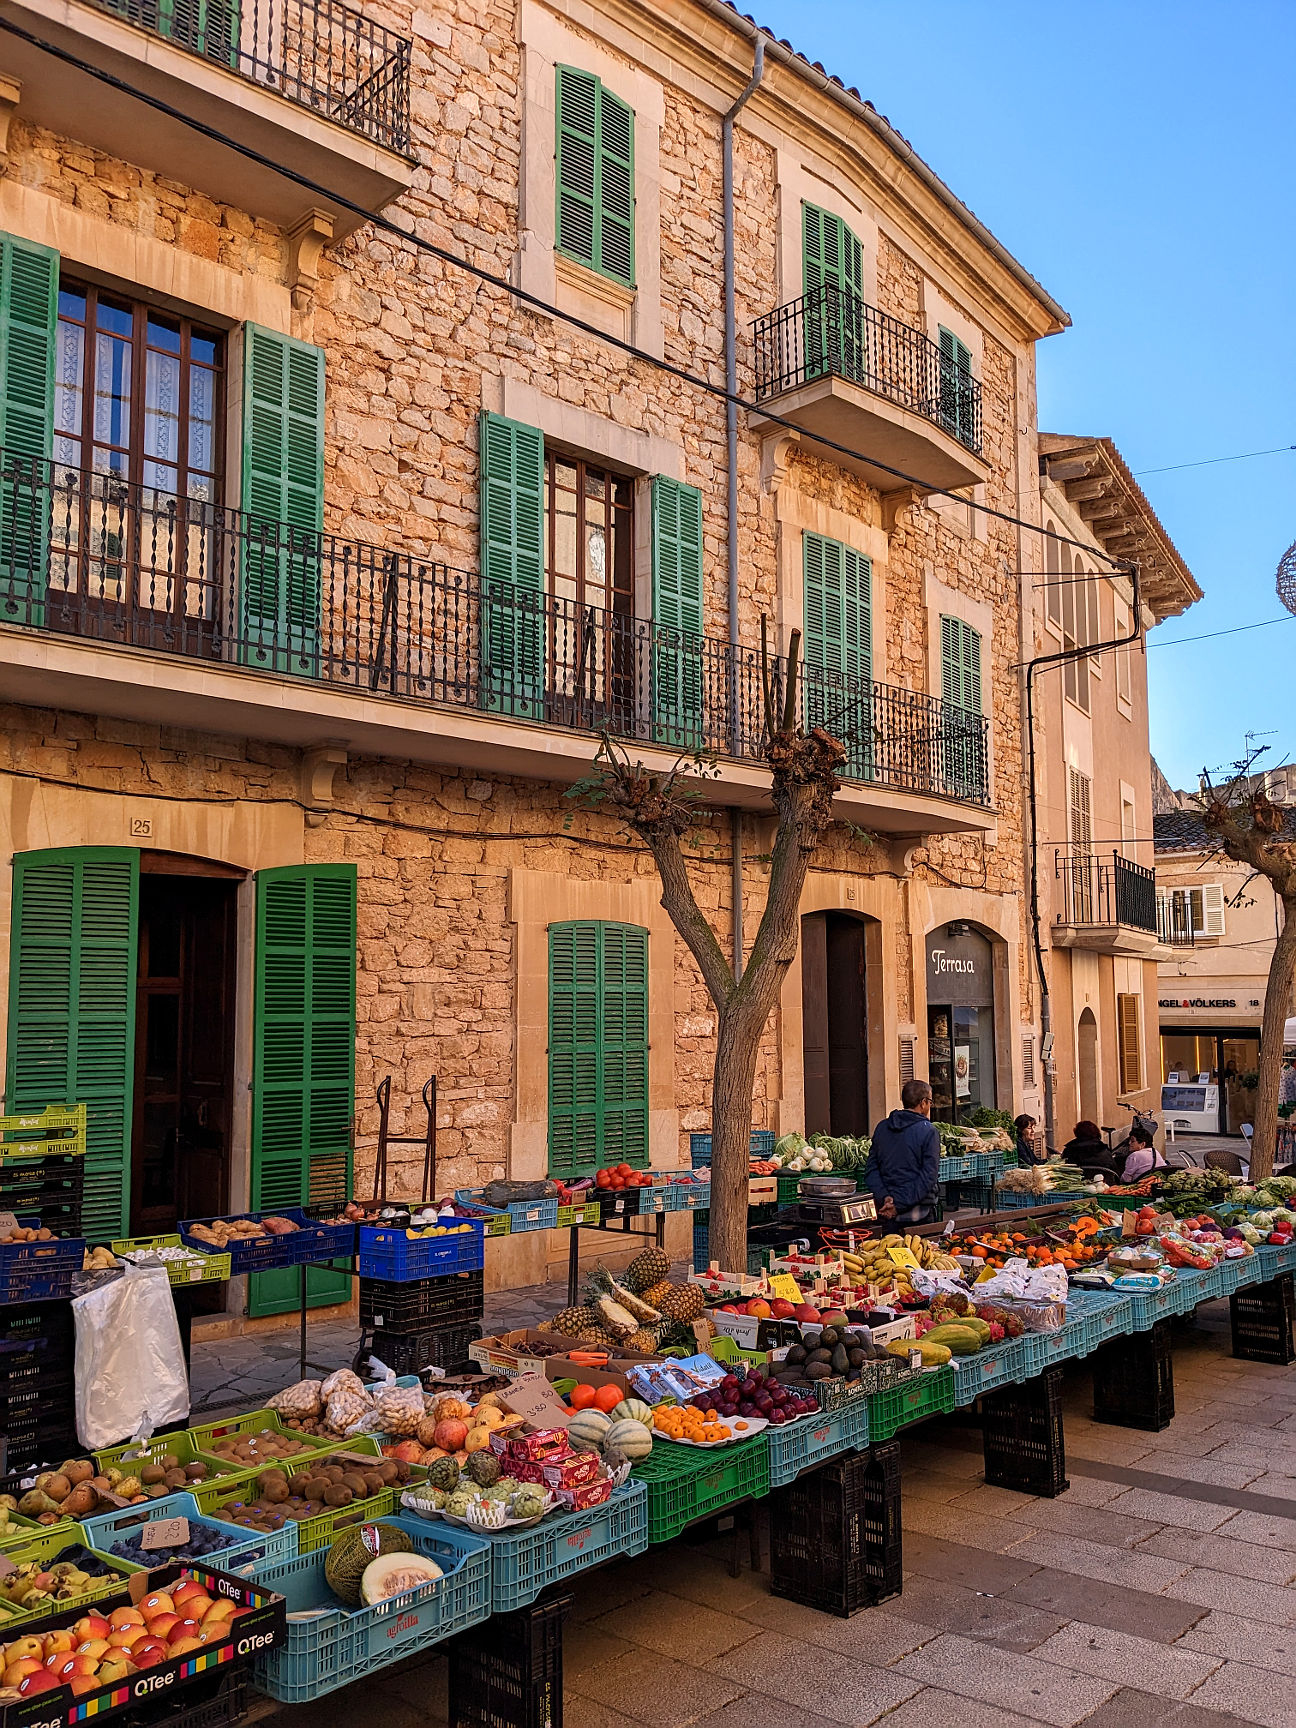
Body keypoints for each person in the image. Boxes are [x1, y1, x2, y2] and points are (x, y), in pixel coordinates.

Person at [865, 1078, 942, 1225]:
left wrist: (885, 1198)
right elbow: (928, 1177)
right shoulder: (928, 1131)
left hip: (885, 1212)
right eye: (930, 1102)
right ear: (923, 1102)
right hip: (918, 1213)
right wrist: (898, 1204)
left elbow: (871, 1170)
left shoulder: (882, 1127)